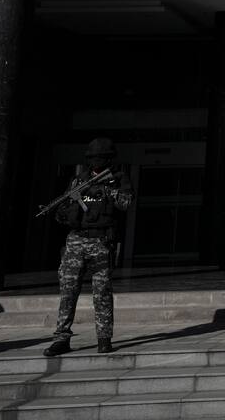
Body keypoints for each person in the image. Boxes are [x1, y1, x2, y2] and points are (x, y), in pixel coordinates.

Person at [44, 137, 134, 357]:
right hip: (76, 241)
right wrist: (72, 201)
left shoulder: (118, 179)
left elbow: (126, 203)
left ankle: (104, 338)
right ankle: (62, 337)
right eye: (93, 158)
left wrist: (107, 191)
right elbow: (62, 215)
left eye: (100, 158)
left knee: (102, 292)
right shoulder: (78, 180)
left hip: (102, 241)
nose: (96, 162)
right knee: (68, 291)